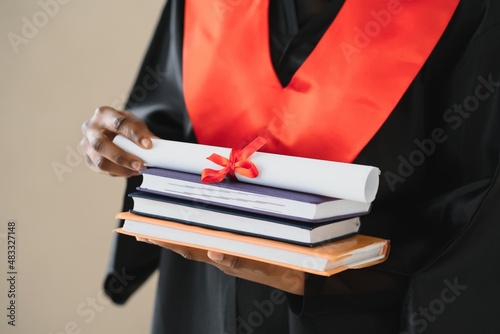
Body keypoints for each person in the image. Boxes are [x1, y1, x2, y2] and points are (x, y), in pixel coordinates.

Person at [81, 0, 500, 333]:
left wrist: (323, 282)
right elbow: (167, 121)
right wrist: (126, 145)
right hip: (200, 302)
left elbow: (475, 221)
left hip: (344, 315)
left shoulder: (468, 10)